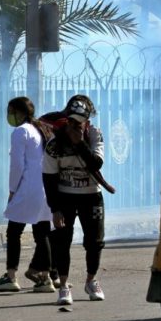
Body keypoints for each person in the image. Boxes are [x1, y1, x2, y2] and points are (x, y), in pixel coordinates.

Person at [43, 96, 107, 305]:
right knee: (62, 241)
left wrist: (80, 144)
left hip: (91, 195)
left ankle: (91, 281)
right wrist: (55, 209)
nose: (75, 126)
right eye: (71, 121)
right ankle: (63, 286)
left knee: (95, 241)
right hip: (65, 196)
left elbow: (96, 163)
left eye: (79, 122)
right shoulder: (54, 144)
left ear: (87, 122)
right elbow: (49, 178)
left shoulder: (94, 134)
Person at [0, 97, 55, 293]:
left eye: (10, 111)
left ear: (19, 113)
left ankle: (11, 276)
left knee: (14, 232)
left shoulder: (21, 131)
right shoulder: (41, 129)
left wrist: (12, 190)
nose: (8, 116)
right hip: (45, 187)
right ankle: (46, 279)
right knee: (42, 233)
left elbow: (17, 165)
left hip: (28, 187)